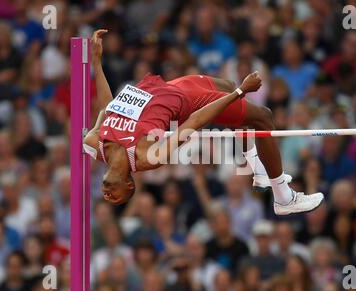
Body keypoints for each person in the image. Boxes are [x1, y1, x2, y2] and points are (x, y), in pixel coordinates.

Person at [83, 29, 324, 216]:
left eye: (108, 196)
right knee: (263, 117)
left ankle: (258, 169)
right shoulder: (148, 156)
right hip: (188, 102)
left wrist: (96, 61)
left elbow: (108, 108)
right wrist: (240, 92)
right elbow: (195, 120)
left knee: (226, 85)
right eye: (117, 197)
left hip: (167, 87)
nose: (108, 195)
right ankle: (283, 198)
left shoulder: (93, 143)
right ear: (128, 181)